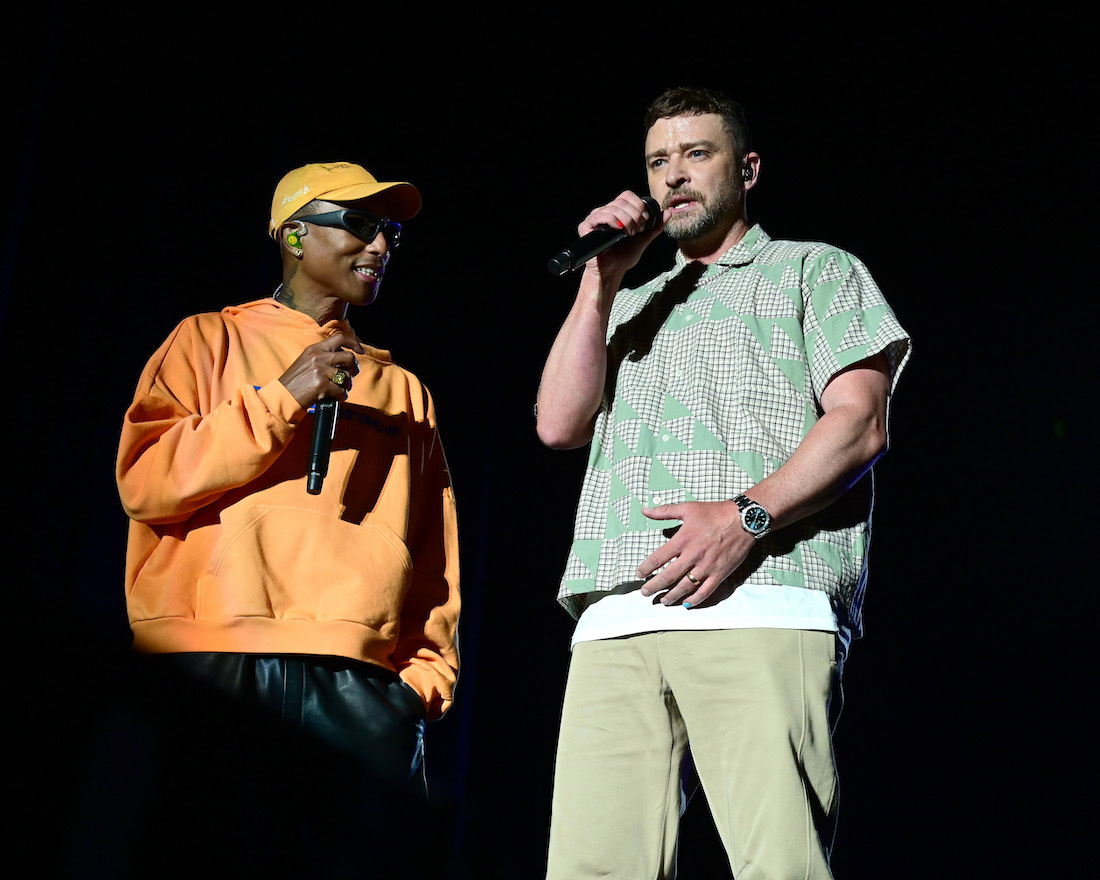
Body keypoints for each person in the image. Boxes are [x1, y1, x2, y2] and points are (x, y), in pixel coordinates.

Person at [537, 87, 911, 879]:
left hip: (763, 597)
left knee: (778, 865)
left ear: (746, 169)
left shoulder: (815, 268)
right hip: (617, 613)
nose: (673, 175)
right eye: (657, 161)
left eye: (696, 155)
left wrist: (744, 518)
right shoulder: (630, 299)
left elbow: (860, 422)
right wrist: (599, 281)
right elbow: (557, 425)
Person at [115, 161, 460, 795]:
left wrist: (420, 686)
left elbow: (434, 558)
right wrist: (282, 396)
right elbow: (145, 484)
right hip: (206, 661)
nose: (380, 245)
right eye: (358, 223)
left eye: (388, 231)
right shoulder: (204, 340)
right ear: (295, 236)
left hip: (359, 685)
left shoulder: (403, 390)